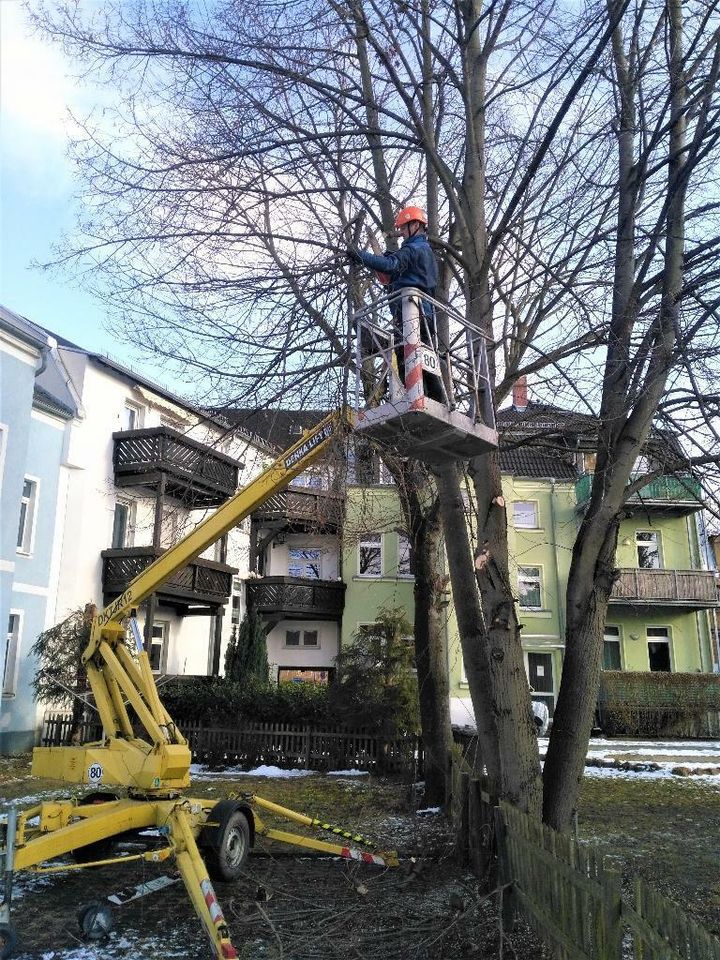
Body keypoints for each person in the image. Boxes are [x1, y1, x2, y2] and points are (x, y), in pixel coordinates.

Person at [347, 206, 442, 399]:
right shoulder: (425, 252)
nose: (402, 234)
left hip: (412, 314)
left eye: (404, 228)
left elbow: (392, 266)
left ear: (415, 225)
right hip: (424, 314)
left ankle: (414, 397)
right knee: (424, 358)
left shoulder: (414, 248)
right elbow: (401, 268)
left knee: (405, 356)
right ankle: (436, 399)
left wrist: (360, 256)